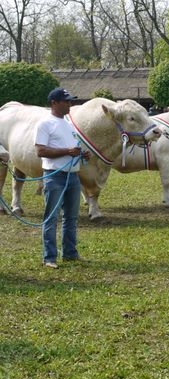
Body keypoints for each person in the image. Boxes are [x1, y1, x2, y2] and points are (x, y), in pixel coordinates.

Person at [35, 87, 89, 269]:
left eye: (70, 101)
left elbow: (73, 148)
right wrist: (67, 152)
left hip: (72, 176)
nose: (70, 104)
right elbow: (40, 151)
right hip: (54, 176)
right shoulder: (45, 124)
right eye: (66, 101)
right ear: (54, 103)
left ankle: (70, 253)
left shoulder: (69, 124)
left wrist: (81, 154)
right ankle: (49, 257)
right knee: (51, 218)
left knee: (71, 218)